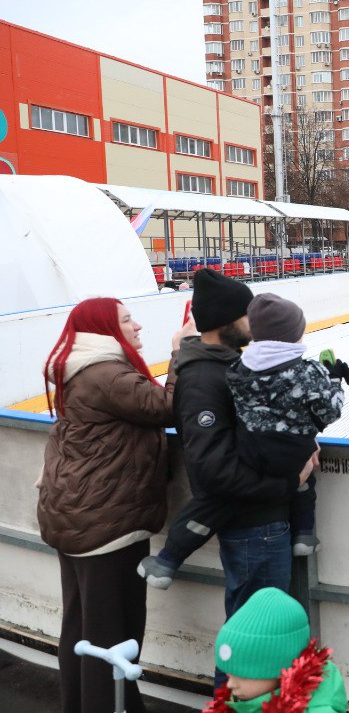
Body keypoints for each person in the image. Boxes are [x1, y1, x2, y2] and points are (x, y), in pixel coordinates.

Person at [37, 296, 194, 713]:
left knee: (81, 627)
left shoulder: (82, 370)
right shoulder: (108, 374)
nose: (138, 326)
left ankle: (83, 704)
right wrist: (182, 350)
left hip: (77, 516)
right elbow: (168, 407)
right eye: (128, 320)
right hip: (107, 525)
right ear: (105, 330)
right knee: (113, 633)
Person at [138, 294, 349, 589]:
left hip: (255, 455)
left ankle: (167, 560)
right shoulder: (304, 371)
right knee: (259, 624)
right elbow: (328, 410)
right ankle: (305, 533)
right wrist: (333, 382)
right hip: (259, 518)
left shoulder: (238, 370)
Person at [170, 270, 317, 642]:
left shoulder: (229, 368)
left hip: (263, 523)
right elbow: (213, 469)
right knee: (255, 641)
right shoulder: (205, 378)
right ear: (225, 321)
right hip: (254, 529)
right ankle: (235, 701)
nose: (254, 322)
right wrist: (288, 481)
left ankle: (246, 700)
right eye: (246, 314)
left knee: (259, 637)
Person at [205, 587, 347, 712]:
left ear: (280, 669)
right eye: (229, 674)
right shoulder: (246, 697)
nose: (230, 684)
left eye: (243, 676)